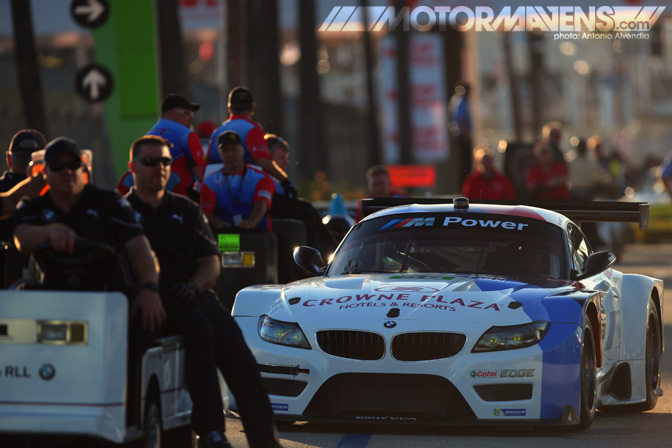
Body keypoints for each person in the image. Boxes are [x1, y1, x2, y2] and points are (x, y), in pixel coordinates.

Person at [125, 135, 282, 448]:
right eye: (150, 161)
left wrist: (194, 286)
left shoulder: (185, 209)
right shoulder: (120, 211)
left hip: (194, 294)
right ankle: (211, 431)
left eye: (165, 161)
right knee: (199, 330)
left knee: (237, 349)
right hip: (152, 297)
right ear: (132, 167)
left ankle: (264, 439)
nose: (159, 167)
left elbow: (211, 264)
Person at [12, 137, 164, 327]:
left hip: (108, 294)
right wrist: (51, 231)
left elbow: (140, 249)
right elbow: (22, 239)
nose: (66, 171)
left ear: (82, 169)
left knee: (146, 317)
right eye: (57, 166)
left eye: (73, 165)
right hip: (55, 294)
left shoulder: (109, 202)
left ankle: (130, 358)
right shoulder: (33, 207)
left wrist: (150, 289)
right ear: (45, 172)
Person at [207, 86, 297, 198]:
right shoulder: (252, 128)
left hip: (217, 189)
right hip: (244, 191)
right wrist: (285, 181)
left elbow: (208, 163)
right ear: (253, 108)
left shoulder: (217, 132)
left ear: (229, 108)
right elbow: (263, 161)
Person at [118, 94, 206, 198]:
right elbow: (202, 176)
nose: (190, 118)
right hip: (179, 196)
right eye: (187, 113)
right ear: (172, 113)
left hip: (147, 194)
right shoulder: (187, 134)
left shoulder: (148, 136)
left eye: (191, 114)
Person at [201, 131, 275, 231]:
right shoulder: (210, 181)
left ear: (242, 151)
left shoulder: (261, 177)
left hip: (256, 234)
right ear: (220, 155)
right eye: (225, 151)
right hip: (225, 235)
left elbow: (262, 203)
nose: (230, 154)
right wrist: (220, 224)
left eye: (234, 149)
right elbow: (206, 212)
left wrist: (251, 222)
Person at [448, 80, 473, 184]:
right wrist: (466, 136)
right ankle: (463, 184)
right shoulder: (461, 101)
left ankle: (462, 184)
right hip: (462, 136)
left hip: (459, 135)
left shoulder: (456, 100)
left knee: (462, 161)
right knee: (465, 162)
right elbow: (462, 120)